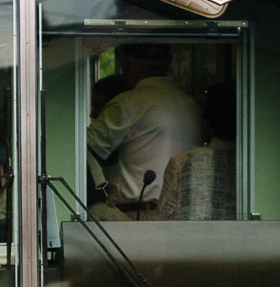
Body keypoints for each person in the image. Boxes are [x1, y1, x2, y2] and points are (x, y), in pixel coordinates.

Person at [85, 43, 201, 215]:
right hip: (181, 213)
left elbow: (82, 149)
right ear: (169, 61)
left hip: (138, 214)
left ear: (124, 60)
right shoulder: (190, 104)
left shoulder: (129, 103)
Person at [159, 82, 239, 221]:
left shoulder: (181, 163)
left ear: (206, 122)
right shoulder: (256, 167)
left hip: (190, 241)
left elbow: (163, 218)